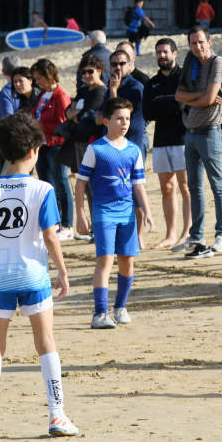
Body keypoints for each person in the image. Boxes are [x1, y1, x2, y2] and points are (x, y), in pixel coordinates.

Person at [0, 114, 79, 440]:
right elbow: (51, 236)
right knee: (46, 343)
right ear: (34, 151)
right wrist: (63, 272)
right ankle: (57, 415)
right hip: (34, 276)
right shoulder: (43, 189)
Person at [75, 98, 154, 328]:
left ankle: (120, 307)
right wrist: (80, 214)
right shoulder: (96, 149)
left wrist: (147, 211)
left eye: (127, 119)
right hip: (103, 212)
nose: (124, 123)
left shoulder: (133, 150)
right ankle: (100, 313)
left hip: (127, 213)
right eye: (119, 118)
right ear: (106, 121)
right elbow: (80, 184)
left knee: (127, 261)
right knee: (105, 261)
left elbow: (139, 185)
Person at [174, 26, 222, 258]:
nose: (198, 46)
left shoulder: (217, 63)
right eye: (193, 43)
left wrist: (197, 99)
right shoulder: (192, 64)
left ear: (209, 41)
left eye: (201, 42)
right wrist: (201, 98)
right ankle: (196, 235)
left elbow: (210, 99)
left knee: (217, 184)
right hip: (191, 131)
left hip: (210, 131)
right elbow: (179, 95)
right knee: (194, 186)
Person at [145, 38, 191, 250]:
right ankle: (171, 234)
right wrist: (172, 104)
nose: (162, 56)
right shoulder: (151, 83)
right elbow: (148, 112)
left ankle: (187, 232)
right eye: (159, 52)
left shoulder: (184, 77)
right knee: (167, 188)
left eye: (165, 52)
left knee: (185, 187)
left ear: (175, 53)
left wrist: (166, 104)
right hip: (161, 139)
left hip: (183, 138)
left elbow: (183, 106)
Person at [30, 59, 74, 243]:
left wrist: (42, 125)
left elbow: (64, 123)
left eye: (39, 78)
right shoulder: (44, 94)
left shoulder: (60, 96)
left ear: (48, 76)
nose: (37, 82)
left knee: (62, 183)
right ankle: (54, 222)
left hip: (56, 144)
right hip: (43, 143)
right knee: (47, 184)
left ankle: (67, 224)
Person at [105, 49, 147, 155]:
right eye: (114, 64)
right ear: (110, 67)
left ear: (129, 65)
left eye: (122, 64)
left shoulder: (136, 87)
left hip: (130, 145)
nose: (118, 67)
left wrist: (113, 91)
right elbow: (100, 117)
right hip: (112, 144)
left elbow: (117, 114)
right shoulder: (110, 85)